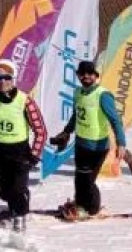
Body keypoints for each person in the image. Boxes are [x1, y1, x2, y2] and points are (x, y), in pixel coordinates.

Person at [48, 60, 126, 220]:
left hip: (97, 146)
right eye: (82, 73)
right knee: (80, 178)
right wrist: (66, 132)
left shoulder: (103, 95)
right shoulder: (78, 92)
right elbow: (77, 115)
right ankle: (81, 204)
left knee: (88, 181)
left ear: (96, 76)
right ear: (78, 75)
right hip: (81, 143)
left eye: (90, 73)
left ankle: (92, 208)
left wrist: (121, 143)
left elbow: (116, 120)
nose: (86, 76)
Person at [0, 59, 47, 232]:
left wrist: (34, 155)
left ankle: (20, 220)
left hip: (19, 151)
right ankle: (14, 208)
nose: (2, 82)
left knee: (18, 188)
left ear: (13, 78)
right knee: (5, 190)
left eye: (6, 77)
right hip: (0, 152)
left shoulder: (25, 101)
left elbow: (41, 130)